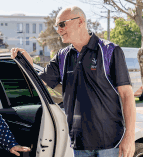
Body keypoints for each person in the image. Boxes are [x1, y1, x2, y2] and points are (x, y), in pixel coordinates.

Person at [11, 6, 136, 157]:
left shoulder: (110, 51)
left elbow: (127, 95)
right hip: (79, 145)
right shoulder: (62, 57)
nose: (58, 30)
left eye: (62, 24)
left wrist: (129, 137)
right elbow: (39, 83)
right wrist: (28, 65)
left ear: (80, 22)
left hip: (111, 144)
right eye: (57, 26)